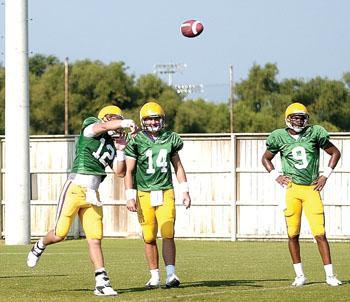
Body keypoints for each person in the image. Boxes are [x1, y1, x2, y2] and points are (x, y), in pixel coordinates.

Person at [27, 105, 138, 296]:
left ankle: (101, 282)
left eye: (118, 120)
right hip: (74, 188)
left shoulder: (112, 144)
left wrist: (120, 150)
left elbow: (120, 173)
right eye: (112, 119)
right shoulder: (90, 125)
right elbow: (100, 128)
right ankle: (40, 245)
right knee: (60, 233)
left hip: (93, 194)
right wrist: (125, 122)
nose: (116, 124)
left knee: (95, 238)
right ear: (104, 119)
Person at [261, 102, 342, 287]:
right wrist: (276, 176)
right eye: (295, 117)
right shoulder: (279, 136)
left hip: (311, 189)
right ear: (288, 119)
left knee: (320, 233)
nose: (299, 120)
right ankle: (300, 275)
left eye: (302, 117)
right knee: (292, 234)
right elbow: (265, 158)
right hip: (292, 190)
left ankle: (329, 275)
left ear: (307, 119)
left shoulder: (314, 133)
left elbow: (335, 152)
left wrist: (325, 176)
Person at [124, 101, 191, 289]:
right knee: (149, 236)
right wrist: (130, 195)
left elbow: (178, 166)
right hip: (144, 192)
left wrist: (184, 190)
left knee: (168, 231)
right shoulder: (136, 140)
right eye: (149, 119)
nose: (153, 122)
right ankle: (154, 276)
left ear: (162, 120)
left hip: (165, 190)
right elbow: (129, 171)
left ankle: (171, 274)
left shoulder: (171, 138)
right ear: (142, 121)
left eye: (156, 119)